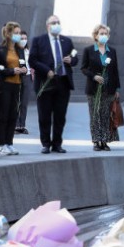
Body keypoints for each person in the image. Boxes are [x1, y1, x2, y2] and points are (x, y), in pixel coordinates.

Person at [29, 15, 78, 154]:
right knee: (44, 115)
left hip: (63, 82)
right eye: (53, 22)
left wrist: (72, 60)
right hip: (45, 82)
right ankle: (46, 143)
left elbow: (75, 59)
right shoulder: (39, 40)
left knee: (60, 116)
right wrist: (47, 70)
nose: (56, 24)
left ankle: (57, 144)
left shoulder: (67, 41)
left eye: (58, 22)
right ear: (48, 26)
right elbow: (32, 60)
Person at [81, 24, 120, 151]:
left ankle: (104, 141)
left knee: (105, 115)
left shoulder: (112, 51)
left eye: (105, 34)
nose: (104, 36)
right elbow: (83, 68)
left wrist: (117, 89)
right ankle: (96, 141)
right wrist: (94, 76)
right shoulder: (88, 50)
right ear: (96, 36)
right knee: (95, 116)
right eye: (101, 33)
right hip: (93, 89)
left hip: (109, 89)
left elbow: (115, 70)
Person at [0, 22, 27, 155]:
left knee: (13, 115)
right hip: (5, 85)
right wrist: (11, 71)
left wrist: (24, 70)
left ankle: (9, 142)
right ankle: (1, 144)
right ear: (8, 34)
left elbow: (23, 65)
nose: (18, 35)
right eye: (16, 33)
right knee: (3, 115)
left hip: (17, 85)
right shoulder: (0, 49)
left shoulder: (20, 50)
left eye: (19, 33)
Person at [15, 30, 31, 134]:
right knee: (17, 102)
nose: (24, 40)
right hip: (17, 77)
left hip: (27, 77)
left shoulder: (28, 51)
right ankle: (16, 125)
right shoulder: (15, 51)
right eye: (21, 38)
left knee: (24, 102)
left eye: (25, 38)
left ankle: (22, 125)